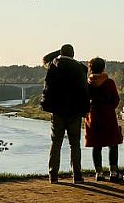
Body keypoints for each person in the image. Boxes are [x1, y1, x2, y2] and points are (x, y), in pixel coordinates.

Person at [39, 44, 90, 184]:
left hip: (57, 111)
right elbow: (84, 92)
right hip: (74, 112)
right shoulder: (80, 68)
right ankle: (77, 175)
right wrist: (85, 110)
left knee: (56, 143)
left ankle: (53, 175)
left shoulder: (53, 66)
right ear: (73, 54)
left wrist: (46, 105)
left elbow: (47, 86)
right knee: (75, 144)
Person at [84, 57, 124, 182]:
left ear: (91, 68)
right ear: (103, 67)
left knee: (97, 145)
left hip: (93, 115)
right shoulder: (109, 82)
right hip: (108, 115)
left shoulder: (88, 83)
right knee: (113, 143)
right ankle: (113, 172)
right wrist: (110, 108)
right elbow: (116, 100)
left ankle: (99, 173)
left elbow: (84, 100)